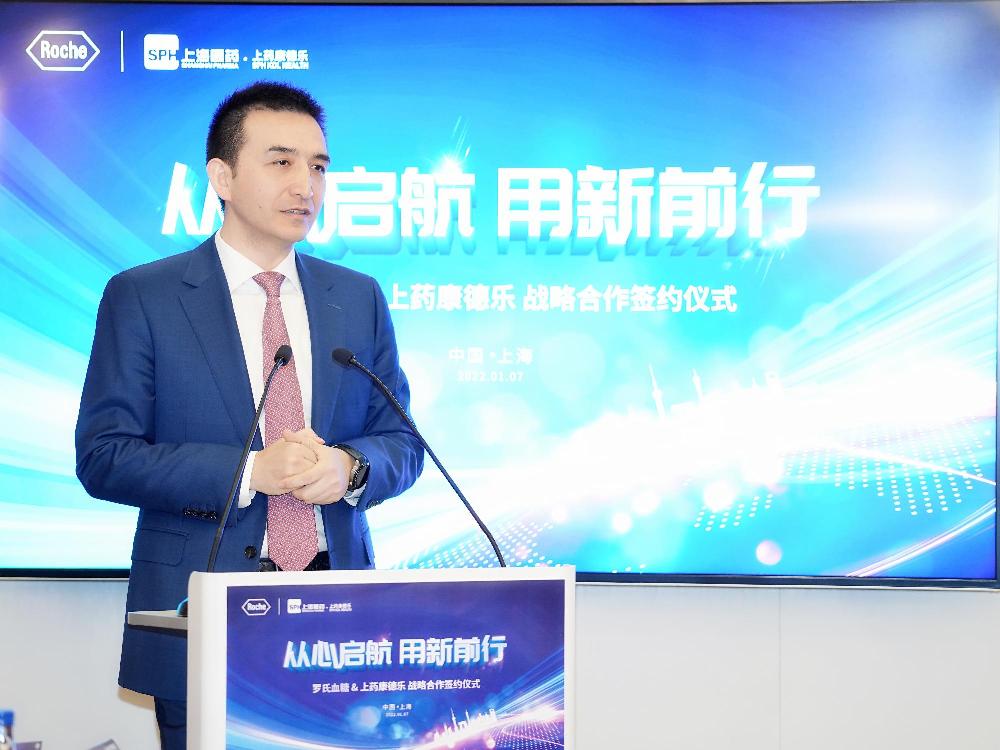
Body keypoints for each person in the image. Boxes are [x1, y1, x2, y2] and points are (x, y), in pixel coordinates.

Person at [75, 81, 423, 749]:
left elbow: (402, 443)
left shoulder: (357, 297)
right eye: (281, 161)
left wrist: (350, 468)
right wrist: (249, 472)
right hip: (202, 610)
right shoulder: (144, 296)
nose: (305, 185)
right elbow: (105, 455)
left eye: (318, 166)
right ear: (223, 177)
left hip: (337, 617)